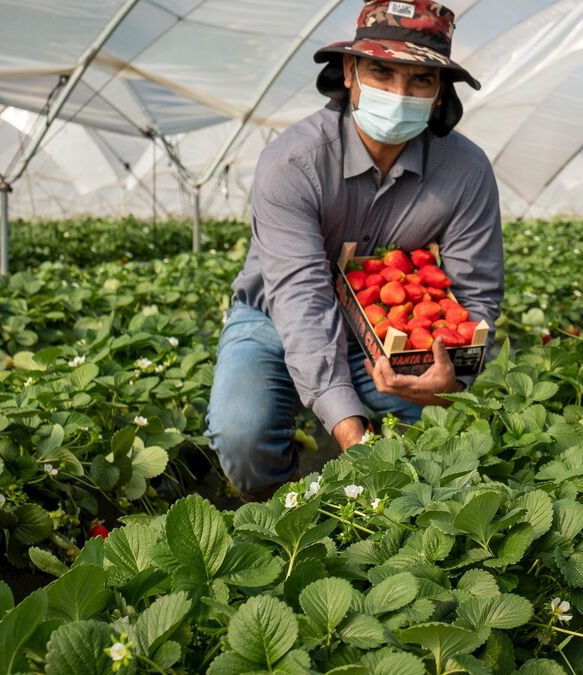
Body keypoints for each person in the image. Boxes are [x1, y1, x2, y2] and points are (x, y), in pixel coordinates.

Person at [206, 0, 503, 501]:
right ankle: (286, 513)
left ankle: (409, 517)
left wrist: (453, 378)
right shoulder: (294, 162)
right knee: (243, 435)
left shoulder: (466, 171)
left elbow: (474, 295)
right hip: (274, 318)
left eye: (420, 80)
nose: (399, 94)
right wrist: (349, 431)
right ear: (349, 71)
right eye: (382, 72)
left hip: (392, 332)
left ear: (440, 92)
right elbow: (301, 301)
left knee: (446, 442)